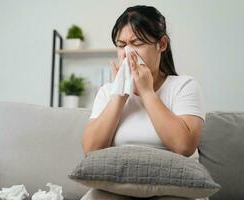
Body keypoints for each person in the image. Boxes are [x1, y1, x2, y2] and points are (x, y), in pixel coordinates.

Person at [81, 5, 208, 200]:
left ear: (162, 44)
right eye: (121, 45)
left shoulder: (184, 86)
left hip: (175, 190)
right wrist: (119, 95)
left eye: (137, 43)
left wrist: (147, 93)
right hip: (116, 189)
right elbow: (91, 149)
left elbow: (184, 146)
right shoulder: (108, 93)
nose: (128, 53)